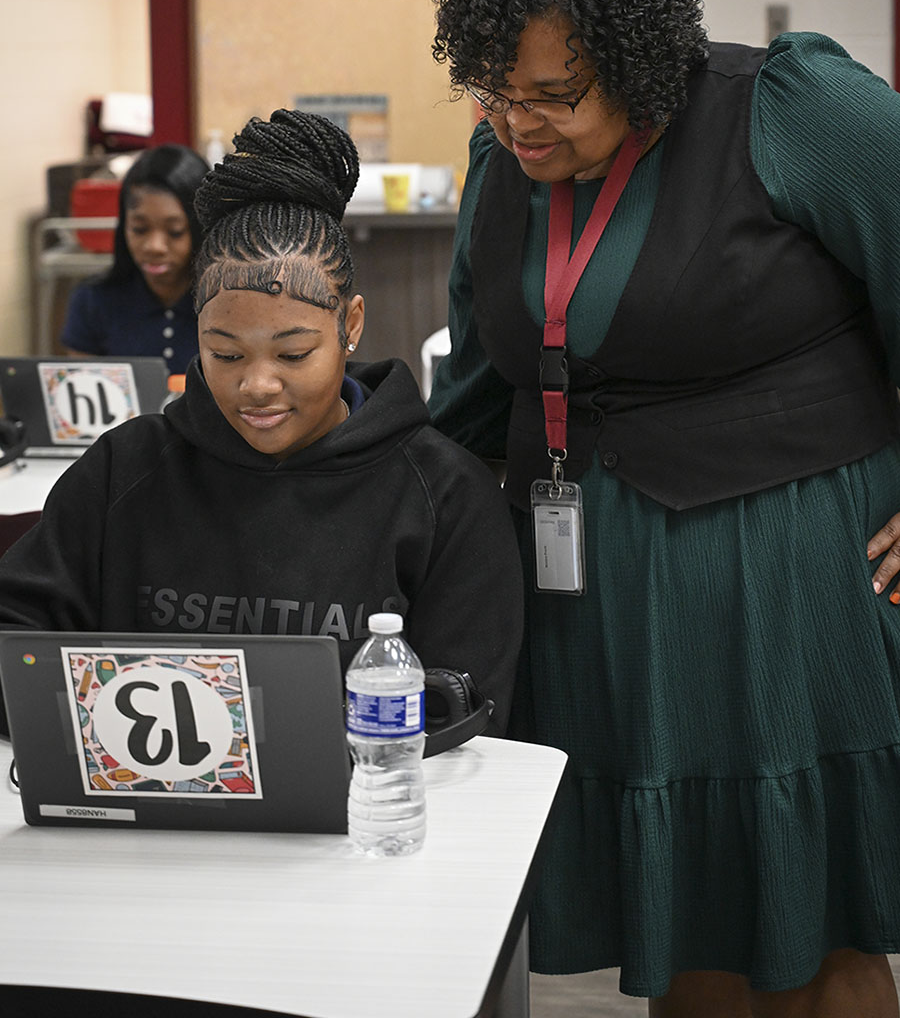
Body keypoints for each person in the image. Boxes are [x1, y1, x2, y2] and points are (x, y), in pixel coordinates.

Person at [428, 0, 900, 1017]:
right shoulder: (506, 162)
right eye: (493, 92)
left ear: (639, 61)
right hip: (597, 589)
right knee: (683, 911)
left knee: (809, 922)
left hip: (781, 566)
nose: (517, 122)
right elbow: (480, 388)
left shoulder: (785, 107)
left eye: (555, 95)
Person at [0, 109, 523, 740]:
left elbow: (467, 712)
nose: (257, 385)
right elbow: (16, 636)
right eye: (224, 353)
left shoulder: (445, 497)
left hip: (362, 828)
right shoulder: (125, 472)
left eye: (293, 353)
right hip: (154, 832)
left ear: (350, 326)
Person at [61, 143, 209, 374]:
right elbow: (81, 391)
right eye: (140, 229)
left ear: (201, 228)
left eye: (175, 231)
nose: (154, 247)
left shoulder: (224, 304)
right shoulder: (93, 301)